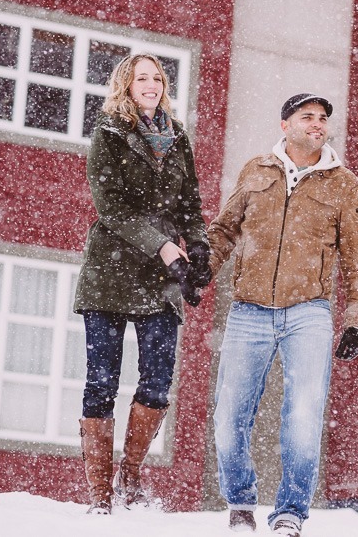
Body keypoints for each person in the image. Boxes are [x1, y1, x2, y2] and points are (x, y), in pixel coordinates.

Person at [208, 93, 358, 535]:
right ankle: (240, 503)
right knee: (228, 416)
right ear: (285, 125)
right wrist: (197, 274)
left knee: (303, 414)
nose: (317, 124)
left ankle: (290, 513)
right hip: (249, 311)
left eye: (322, 118)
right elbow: (224, 230)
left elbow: (356, 257)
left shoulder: (343, 182)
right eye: (307, 117)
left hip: (309, 313)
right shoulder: (256, 170)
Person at [74, 53, 211, 514]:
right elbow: (110, 207)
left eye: (157, 78)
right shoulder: (110, 132)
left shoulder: (177, 137)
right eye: (141, 78)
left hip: (159, 280)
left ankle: (129, 476)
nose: (150, 84)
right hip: (109, 273)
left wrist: (198, 245)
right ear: (126, 85)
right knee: (102, 382)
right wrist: (163, 246)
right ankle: (99, 496)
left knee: (156, 383)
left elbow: (190, 201)